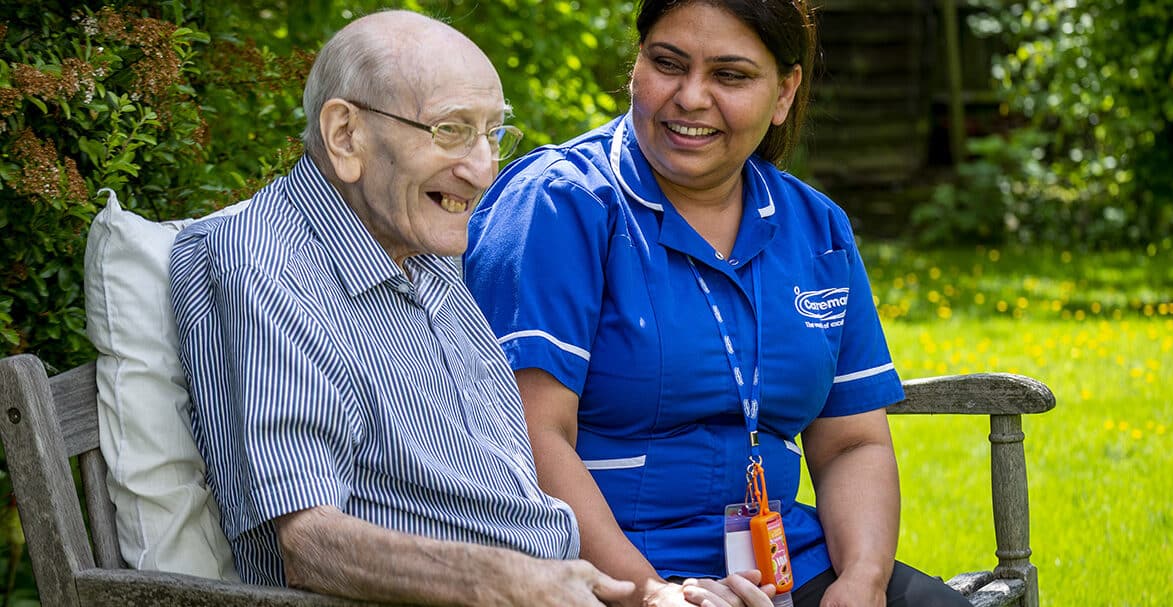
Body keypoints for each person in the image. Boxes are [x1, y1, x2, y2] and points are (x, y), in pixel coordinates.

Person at [463, 1, 972, 606]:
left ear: (784, 93)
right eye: (667, 63)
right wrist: (651, 594)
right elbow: (528, 438)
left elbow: (851, 443)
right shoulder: (561, 204)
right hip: (599, 572)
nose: (691, 97)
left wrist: (863, 579)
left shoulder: (816, 228)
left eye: (729, 75)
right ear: (636, 66)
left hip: (779, 564)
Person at [168, 10, 655, 606]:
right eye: (451, 130)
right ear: (345, 135)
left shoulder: (422, 244)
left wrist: (652, 598)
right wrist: (503, 581)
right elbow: (306, 543)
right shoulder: (266, 263)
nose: (483, 171)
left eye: (493, 134)